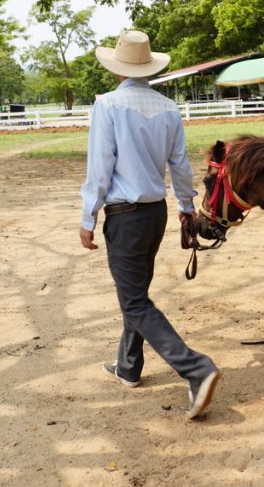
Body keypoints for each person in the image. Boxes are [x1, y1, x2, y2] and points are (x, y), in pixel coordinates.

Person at [80, 29, 220, 420]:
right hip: (155, 213)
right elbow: (180, 165)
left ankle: (196, 368)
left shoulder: (108, 105)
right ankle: (128, 366)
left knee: (134, 300)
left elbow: (100, 166)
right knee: (137, 292)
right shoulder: (168, 108)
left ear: (117, 68)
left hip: (124, 215)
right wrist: (187, 207)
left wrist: (88, 216)